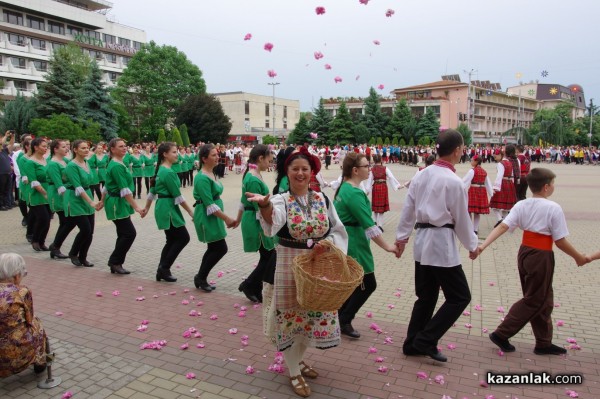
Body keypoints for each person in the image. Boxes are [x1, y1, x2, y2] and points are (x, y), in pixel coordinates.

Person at [247, 146, 348, 398]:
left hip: (317, 267)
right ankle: (293, 371)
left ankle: (298, 361)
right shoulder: (281, 199)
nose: (300, 173)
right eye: (295, 169)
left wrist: (330, 245)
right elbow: (273, 221)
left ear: (312, 171)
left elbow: (337, 229)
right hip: (289, 266)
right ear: (287, 172)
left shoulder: (322, 199)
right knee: (292, 318)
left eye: (305, 169)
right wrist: (265, 206)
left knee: (312, 315)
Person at [479, 168, 588, 355]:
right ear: (546, 187)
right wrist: (578, 257)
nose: (554, 186)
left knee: (544, 299)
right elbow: (560, 240)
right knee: (534, 299)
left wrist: (483, 245)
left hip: (525, 253)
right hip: (541, 255)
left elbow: (503, 226)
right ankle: (501, 334)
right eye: (553, 183)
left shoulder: (522, 205)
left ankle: (543, 342)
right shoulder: (553, 208)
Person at [395, 129, 479, 363]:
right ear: (457, 151)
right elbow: (462, 219)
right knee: (460, 296)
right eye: (462, 149)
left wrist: (401, 238)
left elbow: (407, 210)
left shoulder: (422, 175)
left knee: (426, 296)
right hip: (440, 244)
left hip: (422, 242)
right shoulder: (453, 181)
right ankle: (425, 339)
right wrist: (472, 244)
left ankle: (412, 342)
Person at [334, 152, 400, 339]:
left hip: (349, 240)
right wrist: (388, 247)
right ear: (355, 170)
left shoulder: (345, 188)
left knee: (353, 284)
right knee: (367, 283)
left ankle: (340, 316)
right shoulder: (353, 193)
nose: (369, 169)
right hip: (353, 243)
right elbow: (369, 224)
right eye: (366, 166)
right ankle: (344, 319)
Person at [143, 142, 194, 283]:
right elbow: (177, 196)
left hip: (163, 206)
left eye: (177, 151)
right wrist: (191, 212)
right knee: (183, 238)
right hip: (168, 208)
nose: (176, 154)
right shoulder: (168, 172)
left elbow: (152, 191)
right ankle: (164, 268)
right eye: (173, 152)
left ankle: (162, 269)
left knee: (171, 239)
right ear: (164, 154)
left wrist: (147, 208)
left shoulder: (160, 170)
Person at [192, 144, 239, 292]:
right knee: (220, 248)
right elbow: (209, 205)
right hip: (208, 215)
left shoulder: (211, 173)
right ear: (204, 159)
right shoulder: (201, 178)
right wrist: (226, 218)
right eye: (213, 155)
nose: (217, 157)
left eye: (217, 154)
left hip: (214, 215)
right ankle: (201, 276)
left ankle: (201, 277)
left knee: (214, 247)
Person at [101, 138, 146, 275]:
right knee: (129, 233)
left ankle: (116, 263)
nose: (124, 148)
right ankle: (115, 261)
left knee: (123, 233)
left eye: (125, 145)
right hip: (116, 203)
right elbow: (124, 189)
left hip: (119, 202)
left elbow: (107, 185)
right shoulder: (116, 166)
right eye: (120, 146)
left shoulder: (119, 163)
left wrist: (101, 201)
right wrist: (137, 208)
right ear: (112, 149)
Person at [237, 145, 276, 303]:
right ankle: (249, 285)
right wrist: (271, 221)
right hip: (256, 220)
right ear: (260, 158)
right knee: (269, 256)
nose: (270, 164)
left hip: (255, 218)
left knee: (267, 257)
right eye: (269, 160)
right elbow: (256, 206)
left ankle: (253, 286)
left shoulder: (254, 175)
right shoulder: (252, 178)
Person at [0, 253, 48, 377]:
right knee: (37, 325)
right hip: (12, 355)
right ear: (16, 276)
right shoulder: (22, 292)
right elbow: (29, 319)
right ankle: (40, 361)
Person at [63, 140, 99, 267]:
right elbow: (78, 186)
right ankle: (73, 253)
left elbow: (90, 182)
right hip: (75, 198)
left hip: (87, 195)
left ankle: (83, 257)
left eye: (87, 148)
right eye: (83, 148)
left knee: (90, 231)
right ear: (75, 150)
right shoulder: (71, 166)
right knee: (85, 229)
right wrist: (91, 202)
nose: (86, 150)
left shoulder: (86, 162)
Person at [22, 137, 51, 252]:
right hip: (36, 193)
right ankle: (35, 239)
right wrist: (45, 193)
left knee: (48, 219)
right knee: (42, 218)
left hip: (48, 192)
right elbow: (34, 181)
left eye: (46, 146)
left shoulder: (46, 160)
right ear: (35, 147)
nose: (45, 148)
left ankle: (42, 242)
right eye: (43, 146)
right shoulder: (30, 162)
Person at [47, 139, 74, 260]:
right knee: (67, 221)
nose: (66, 148)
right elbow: (58, 183)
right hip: (58, 194)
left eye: (67, 146)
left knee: (65, 222)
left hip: (65, 193)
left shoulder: (65, 160)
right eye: (63, 147)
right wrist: (67, 197)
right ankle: (55, 246)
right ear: (55, 149)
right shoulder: (53, 164)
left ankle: (55, 246)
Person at [365, 154, 402, 231]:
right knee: (381, 207)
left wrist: (367, 190)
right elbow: (391, 177)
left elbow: (369, 180)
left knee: (375, 206)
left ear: (374, 160)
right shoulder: (385, 168)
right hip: (383, 187)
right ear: (381, 160)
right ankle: (380, 225)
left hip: (375, 187)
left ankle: (374, 222)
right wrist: (397, 186)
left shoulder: (372, 170)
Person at [462, 155, 492, 236]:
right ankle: (475, 229)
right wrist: (491, 194)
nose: (471, 162)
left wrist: (461, 189)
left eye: (472, 160)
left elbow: (465, 181)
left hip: (473, 191)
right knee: (477, 212)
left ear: (476, 161)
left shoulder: (472, 171)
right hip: (482, 191)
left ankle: (470, 228)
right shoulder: (484, 171)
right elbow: (488, 183)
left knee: (469, 210)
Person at [489, 146, 517, 226]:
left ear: (501, 155)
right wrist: (512, 184)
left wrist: (495, 187)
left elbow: (499, 176)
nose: (495, 158)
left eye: (496, 156)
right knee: (505, 208)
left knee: (494, 206)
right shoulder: (509, 162)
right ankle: (507, 224)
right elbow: (512, 175)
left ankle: (500, 220)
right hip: (509, 184)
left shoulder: (500, 164)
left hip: (502, 184)